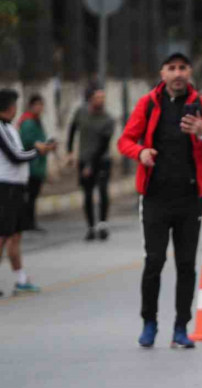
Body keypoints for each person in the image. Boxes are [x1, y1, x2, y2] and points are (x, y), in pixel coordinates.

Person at [117, 53, 202, 349]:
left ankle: (181, 327)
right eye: (171, 68)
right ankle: (149, 322)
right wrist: (139, 153)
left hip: (190, 198)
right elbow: (124, 140)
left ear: (189, 72)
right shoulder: (148, 103)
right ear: (162, 73)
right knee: (154, 261)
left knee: (187, 264)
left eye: (182, 68)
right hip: (155, 198)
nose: (177, 73)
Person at [0, 89, 55, 296]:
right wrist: (38, 151)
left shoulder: (11, 128)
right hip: (6, 187)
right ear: (9, 106)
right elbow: (15, 156)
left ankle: (21, 279)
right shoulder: (1, 128)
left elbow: (20, 152)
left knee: (15, 235)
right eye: (14, 104)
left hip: (16, 187)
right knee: (2, 235)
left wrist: (39, 148)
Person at [67, 87, 116, 241]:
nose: (101, 100)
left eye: (103, 97)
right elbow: (73, 129)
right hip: (84, 158)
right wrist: (69, 151)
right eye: (98, 97)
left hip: (102, 160)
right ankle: (90, 227)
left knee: (102, 190)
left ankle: (102, 224)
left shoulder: (108, 119)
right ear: (90, 99)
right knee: (87, 193)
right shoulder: (81, 112)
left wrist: (90, 165)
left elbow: (103, 145)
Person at [18, 95, 49, 233]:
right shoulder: (28, 122)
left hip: (37, 165)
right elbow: (28, 142)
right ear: (30, 106)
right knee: (29, 196)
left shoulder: (37, 121)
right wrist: (41, 146)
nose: (39, 108)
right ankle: (27, 222)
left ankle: (29, 222)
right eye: (36, 104)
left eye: (41, 104)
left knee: (33, 195)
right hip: (30, 165)